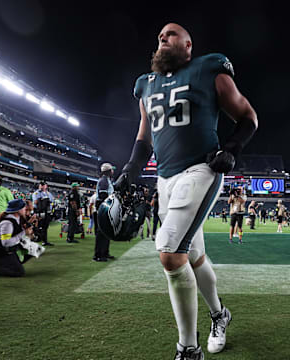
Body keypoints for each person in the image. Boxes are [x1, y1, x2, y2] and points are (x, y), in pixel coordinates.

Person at [114, 23, 257, 359]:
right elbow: (144, 135)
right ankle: (220, 314)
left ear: (188, 45)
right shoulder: (145, 85)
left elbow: (247, 116)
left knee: (169, 253)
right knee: (193, 256)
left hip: (201, 168)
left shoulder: (208, 67)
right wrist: (130, 170)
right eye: (160, 36)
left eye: (171, 34)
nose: (163, 38)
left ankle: (188, 350)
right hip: (165, 178)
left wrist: (232, 149)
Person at [0, 199, 43, 277]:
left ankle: (12, 263)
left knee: (36, 249)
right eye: (23, 208)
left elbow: (17, 231)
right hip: (1, 251)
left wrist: (29, 224)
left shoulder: (17, 218)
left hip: (10, 248)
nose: (25, 209)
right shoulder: (7, 223)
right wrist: (24, 232)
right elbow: (6, 243)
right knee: (18, 272)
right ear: (18, 210)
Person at [93, 163, 116, 261]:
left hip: (105, 208)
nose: (113, 171)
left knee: (106, 232)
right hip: (103, 209)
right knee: (101, 232)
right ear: (108, 171)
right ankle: (98, 255)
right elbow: (103, 196)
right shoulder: (103, 181)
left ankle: (105, 252)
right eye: (112, 170)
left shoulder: (106, 180)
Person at [32, 182, 54, 246]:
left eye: (43, 185)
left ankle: (45, 240)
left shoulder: (49, 193)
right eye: (41, 185)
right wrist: (43, 201)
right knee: (39, 226)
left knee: (45, 226)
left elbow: (52, 201)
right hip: (40, 211)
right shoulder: (36, 193)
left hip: (47, 211)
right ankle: (37, 238)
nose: (42, 186)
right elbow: (36, 202)